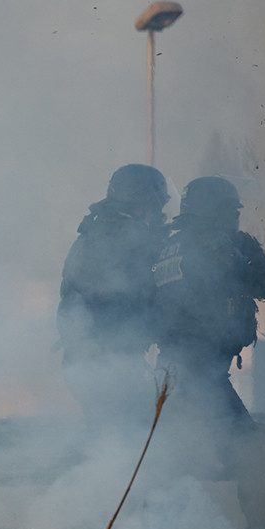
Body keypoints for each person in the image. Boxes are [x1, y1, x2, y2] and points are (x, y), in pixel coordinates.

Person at [152, 176, 265, 432]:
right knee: (242, 438)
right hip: (201, 367)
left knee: (184, 438)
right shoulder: (213, 245)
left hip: (174, 362)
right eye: (231, 211)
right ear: (216, 211)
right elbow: (262, 285)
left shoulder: (170, 246)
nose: (235, 217)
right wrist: (250, 251)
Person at [57, 164, 170, 427]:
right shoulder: (125, 238)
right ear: (142, 202)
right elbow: (143, 294)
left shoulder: (100, 231)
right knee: (129, 430)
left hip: (92, 359)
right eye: (154, 206)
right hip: (105, 360)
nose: (156, 213)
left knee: (110, 432)